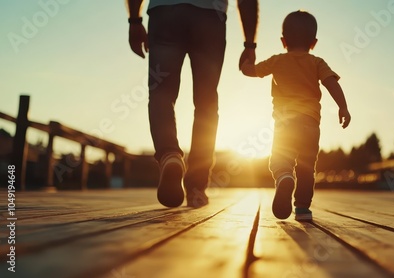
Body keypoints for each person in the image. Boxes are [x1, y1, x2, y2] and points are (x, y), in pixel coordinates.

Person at [127, 0, 258, 208]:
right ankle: (196, 186)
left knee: (162, 93)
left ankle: (169, 154)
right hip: (209, 17)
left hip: (165, 13)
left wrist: (134, 20)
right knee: (206, 103)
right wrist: (249, 44)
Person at [241, 10, 351, 221]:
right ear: (314, 42)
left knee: (281, 160)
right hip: (310, 124)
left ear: (283, 41)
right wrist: (343, 107)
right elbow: (332, 83)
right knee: (307, 167)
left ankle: (284, 177)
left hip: (285, 123)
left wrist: (244, 63)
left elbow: (251, 71)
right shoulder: (317, 62)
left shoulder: (276, 61)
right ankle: (302, 208)